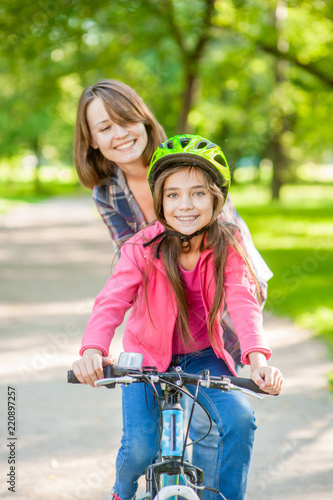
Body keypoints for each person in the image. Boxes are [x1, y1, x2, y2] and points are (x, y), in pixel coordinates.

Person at [73, 79, 273, 491]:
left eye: (198, 194)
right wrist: (93, 349)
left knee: (232, 421)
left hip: (206, 340)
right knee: (141, 450)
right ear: (92, 141)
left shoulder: (222, 234)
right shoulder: (126, 222)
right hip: (149, 349)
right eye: (104, 127)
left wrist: (257, 356)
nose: (185, 205)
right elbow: (115, 293)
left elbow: (240, 296)